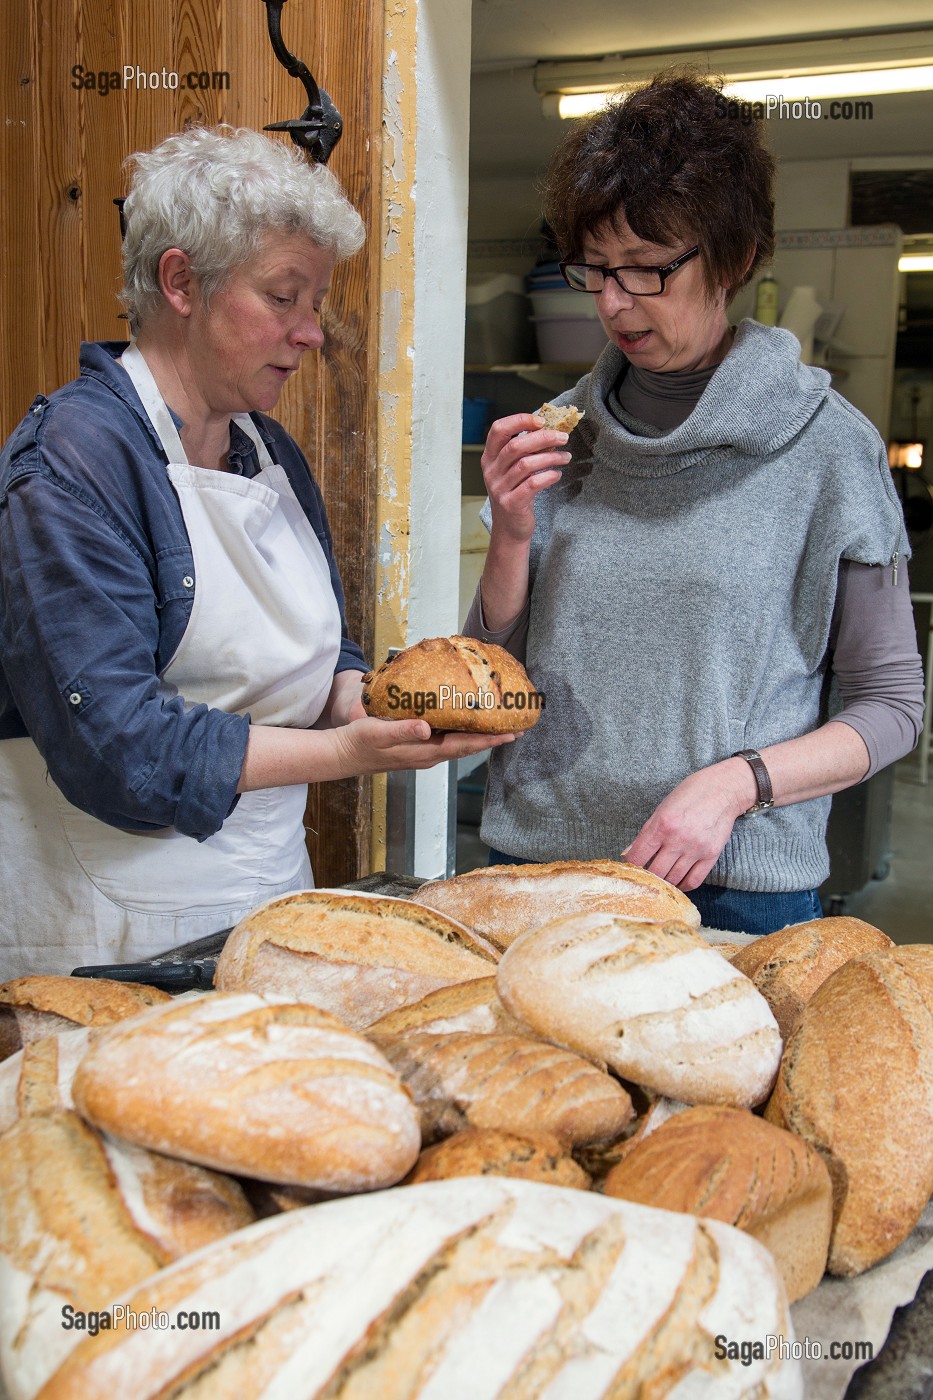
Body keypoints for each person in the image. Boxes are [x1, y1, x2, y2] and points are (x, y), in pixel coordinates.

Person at [0, 125, 510, 979]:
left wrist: (374, 704)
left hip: (263, 906)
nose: (311, 332)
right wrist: (351, 755)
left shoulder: (265, 452)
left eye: (314, 301)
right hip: (104, 933)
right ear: (180, 283)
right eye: (284, 297)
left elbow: (325, 658)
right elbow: (119, 750)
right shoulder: (71, 464)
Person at [464, 71, 924, 936]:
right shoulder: (564, 436)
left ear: (735, 259)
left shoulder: (826, 447)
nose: (610, 303)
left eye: (646, 270)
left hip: (729, 885)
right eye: (594, 270)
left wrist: (734, 783)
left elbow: (891, 708)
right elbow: (491, 680)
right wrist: (511, 535)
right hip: (536, 869)